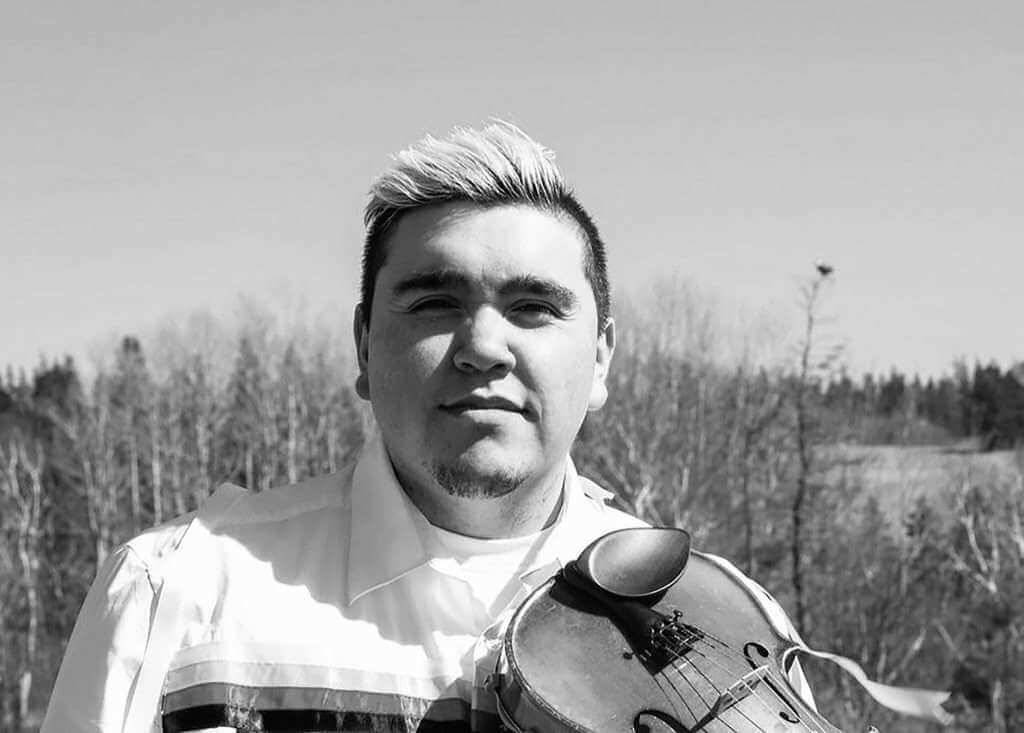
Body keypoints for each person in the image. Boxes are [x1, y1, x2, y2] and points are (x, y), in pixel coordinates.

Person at [42, 122, 811, 732]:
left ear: (602, 356)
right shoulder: (174, 593)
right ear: (364, 346)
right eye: (436, 303)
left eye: (534, 307)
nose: (484, 346)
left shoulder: (721, 618)